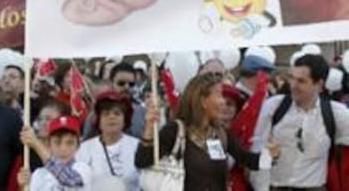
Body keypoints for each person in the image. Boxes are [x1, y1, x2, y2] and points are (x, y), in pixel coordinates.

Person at [135, 73, 280, 191]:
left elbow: (249, 161)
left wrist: (271, 155)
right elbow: (142, 161)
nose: (223, 101)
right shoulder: (175, 131)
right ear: (203, 101)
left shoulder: (221, 135)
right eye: (219, 95)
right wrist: (149, 127)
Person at [250, 53, 349, 191]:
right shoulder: (275, 106)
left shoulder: (336, 113)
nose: (293, 85)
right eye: (292, 78)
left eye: (301, 81)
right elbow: (258, 151)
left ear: (319, 85)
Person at [77, 90, 140, 191]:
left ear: (125, 120)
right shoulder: (85, 148)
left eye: (117, 113)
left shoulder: (137, 146)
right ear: (98, 120)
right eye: (106, 114)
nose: (112, 117)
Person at [18, 115, 91, 191]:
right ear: (49, 145)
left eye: (70, 143)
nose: (63, 148)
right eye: (57, 142)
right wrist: (23, 188)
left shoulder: (83, 169)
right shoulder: (38, 174)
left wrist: (36, 144)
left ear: (78, 146)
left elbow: (69, 179)